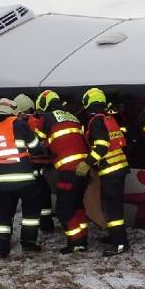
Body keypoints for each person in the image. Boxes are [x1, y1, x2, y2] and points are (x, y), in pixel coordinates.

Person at [0, 98, 44, 257]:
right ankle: (28, 243)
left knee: (3, 214)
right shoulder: (17, 123)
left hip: (1, 182)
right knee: (30, 212)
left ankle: (1, 248)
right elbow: (35, 147)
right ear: (12, 112)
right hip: (24, 179)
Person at [34, 89, 90, 254]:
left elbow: (37, 143)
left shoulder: (46, 118)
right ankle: (83, 238)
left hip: (68, 170)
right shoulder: (73, 116)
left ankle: (77, 241)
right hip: (83, 168)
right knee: (78, 205)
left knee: (63, 210)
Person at [77, 87, 129, 255]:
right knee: (112, 205)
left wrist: (87, 163)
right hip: (118, 167)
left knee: (113, 207)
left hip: (111, 170)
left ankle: (120, 244)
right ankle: (116, 237)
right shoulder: (107, 118)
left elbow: (101, 146)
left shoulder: (96, 121)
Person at [14, 93, 55, 233]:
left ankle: (36, 227)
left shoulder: (10, 125)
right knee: (43, 197)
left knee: (30, 202)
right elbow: (40, 144)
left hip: (21, 169)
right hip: (35, 168)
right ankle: (45, 226)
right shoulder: (35, 122)